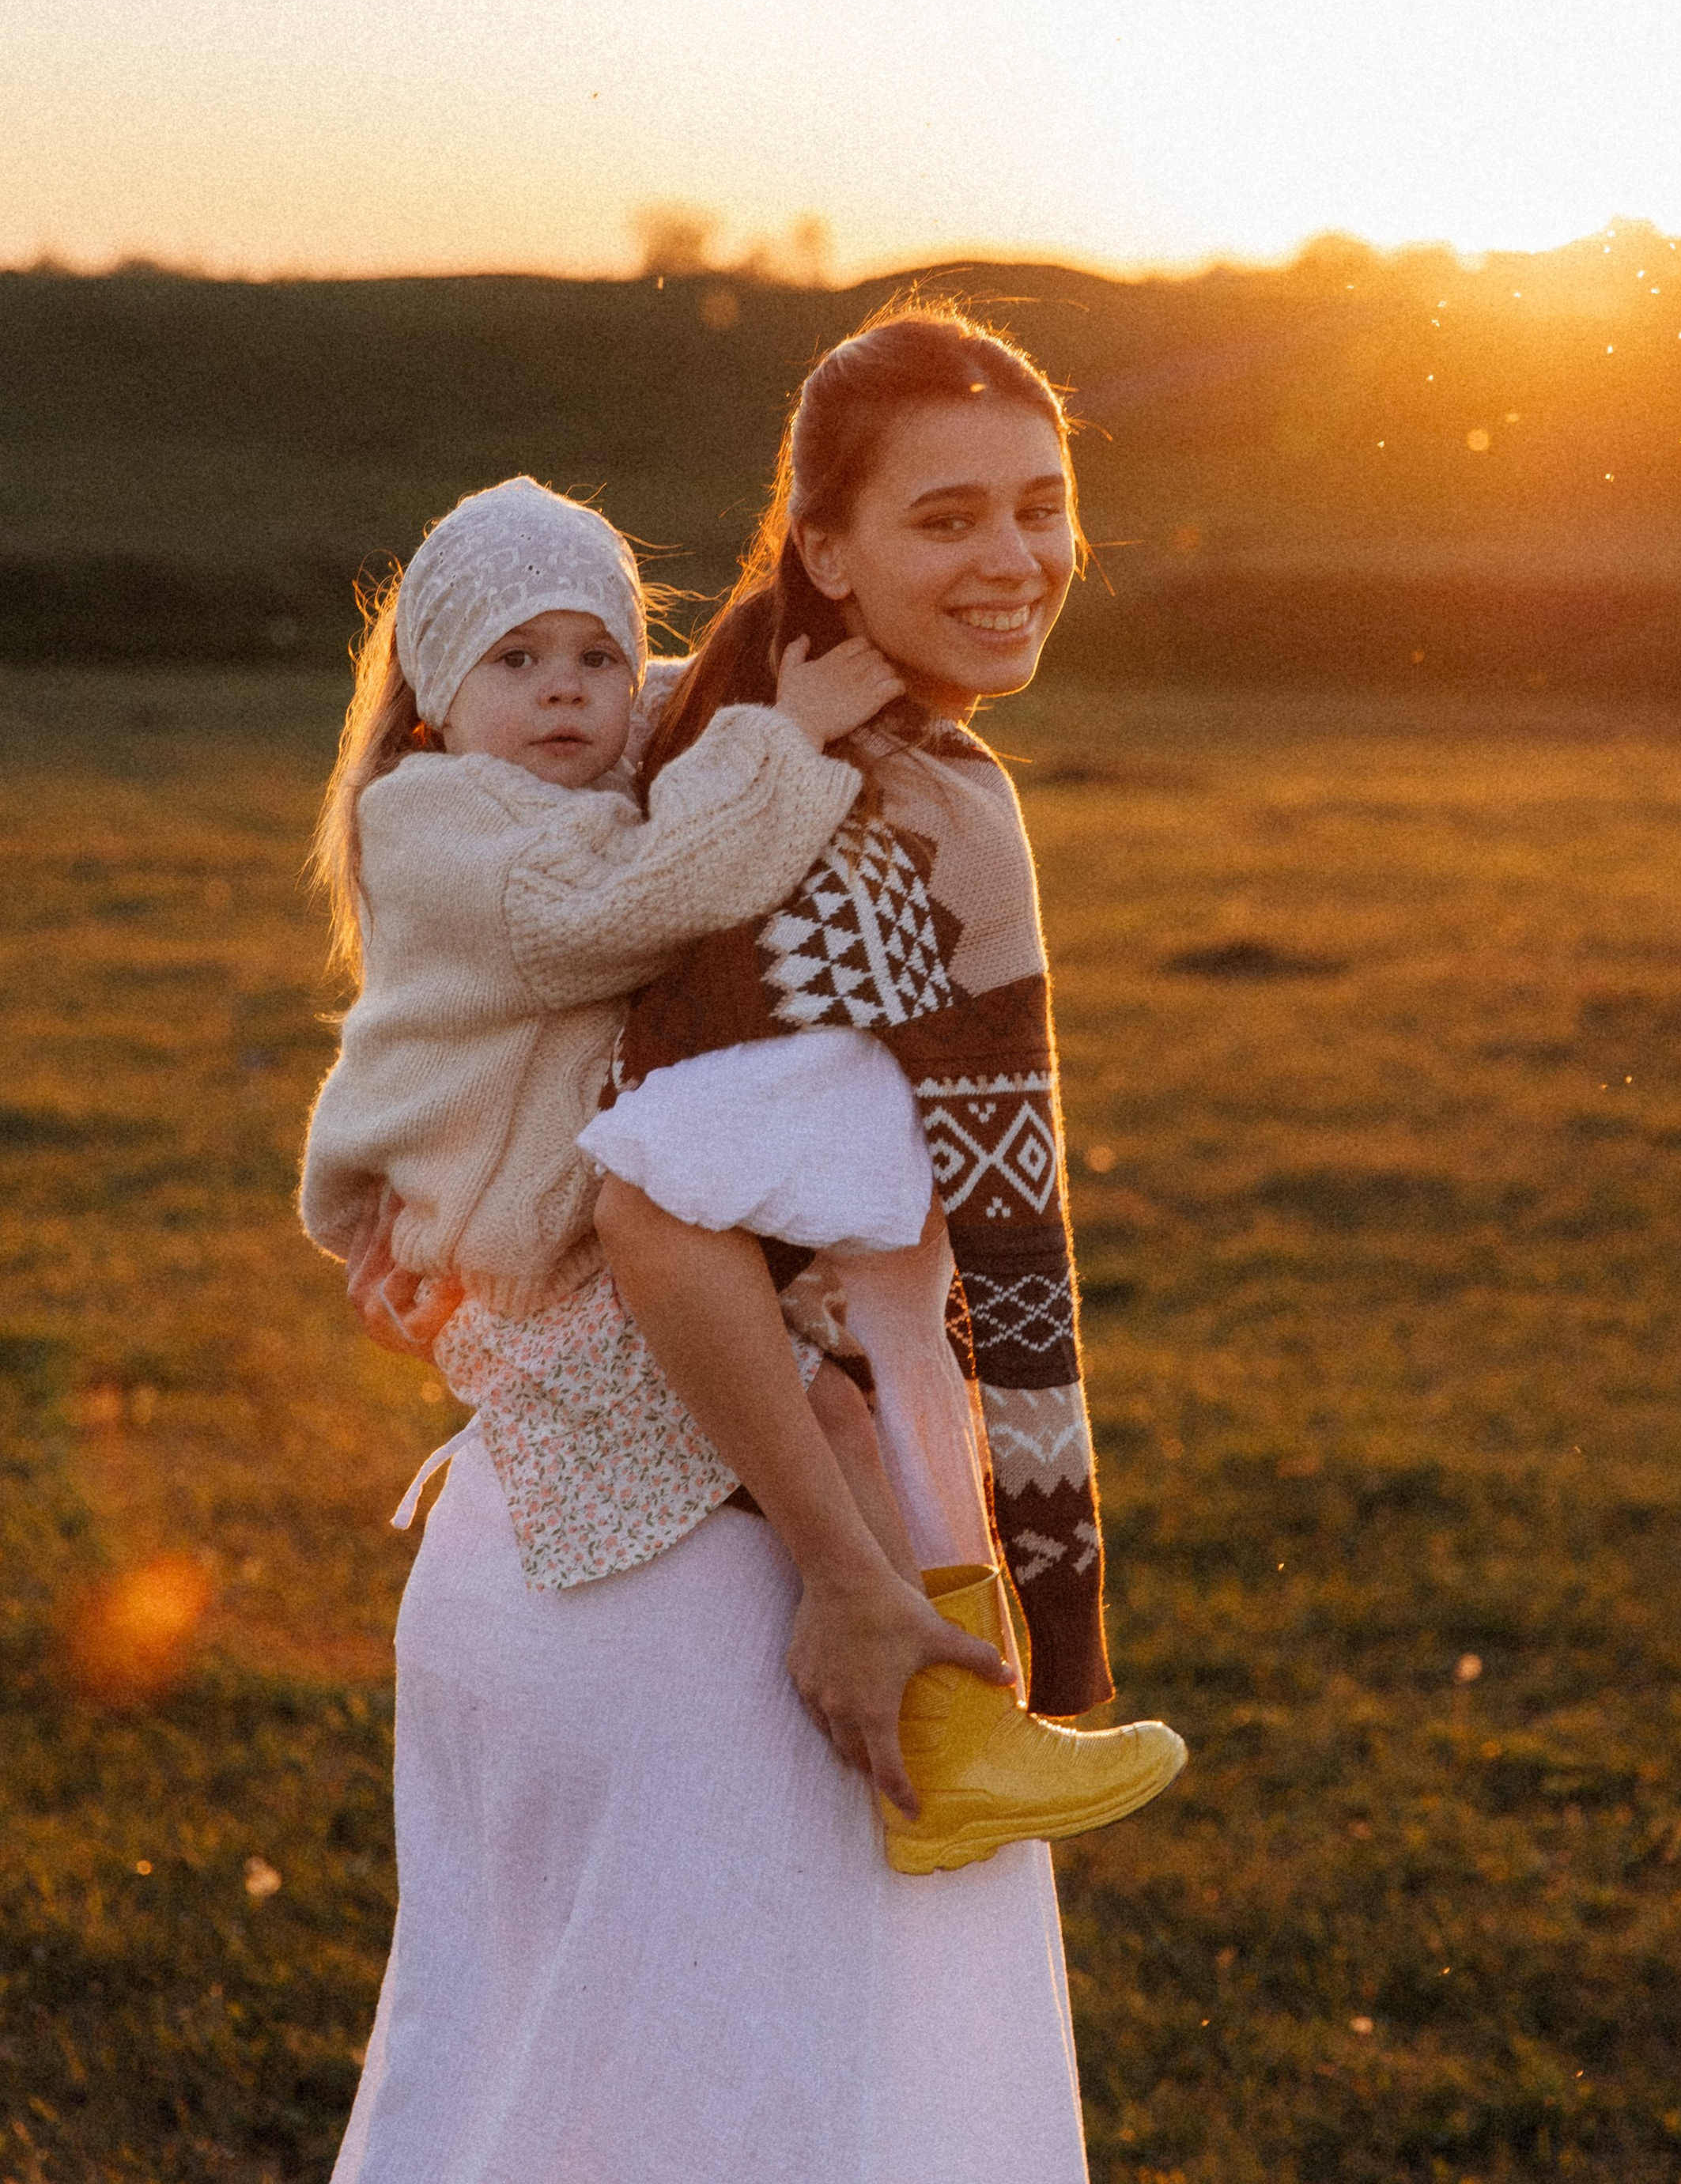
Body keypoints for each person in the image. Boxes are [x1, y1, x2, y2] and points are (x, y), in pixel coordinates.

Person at [332, 312, 1143, 2184]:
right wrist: (859, 1591)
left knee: (515, 2099)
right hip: (737, 1599)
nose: (1011, 558)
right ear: (822, 548)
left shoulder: (692, 739)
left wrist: (437, 1215)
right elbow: (657, 1210)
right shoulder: (827, 822)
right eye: (944, 519)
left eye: (1041, 507)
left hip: (554, 1546)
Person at [300, 473, 927, 1584]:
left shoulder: (546, 775)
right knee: (823, 1420)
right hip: (536, 1274)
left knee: (848, 1417)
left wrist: (737, 679)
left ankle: (959, 1683)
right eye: (518, 659)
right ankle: (927, 1680)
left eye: (598, 658)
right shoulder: (437, 819)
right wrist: (790, 733)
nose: (564, 693)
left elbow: (670, 712)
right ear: (437, 691)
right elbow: (642, 896)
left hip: (578, 1244)